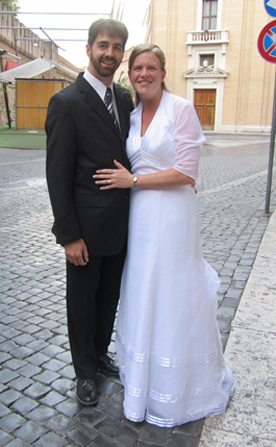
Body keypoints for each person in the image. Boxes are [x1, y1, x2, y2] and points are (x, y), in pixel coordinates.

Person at [94, 43, 235, 427]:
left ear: (163, 71)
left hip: (173, 215)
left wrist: (133, 179)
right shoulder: (134, 113)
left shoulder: (181, 109)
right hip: (139, 216)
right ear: (131, 73)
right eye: (138, 67)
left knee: (172, 291)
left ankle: (176, 385)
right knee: (143, 289)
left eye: (151, 67)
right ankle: (143, 381)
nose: (144, 74)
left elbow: (187, 173)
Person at [45, 18, 133, 407]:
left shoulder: (125, 100)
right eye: (103, 46)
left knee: (108, 298)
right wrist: (68, 235)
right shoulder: (66, 102)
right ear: (89, 49)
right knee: (81, 303)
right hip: (84, 230)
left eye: (116, 47)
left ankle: (99, 355)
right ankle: (84, 372)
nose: (109, 54)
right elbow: (57, 175)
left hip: (122, 226)